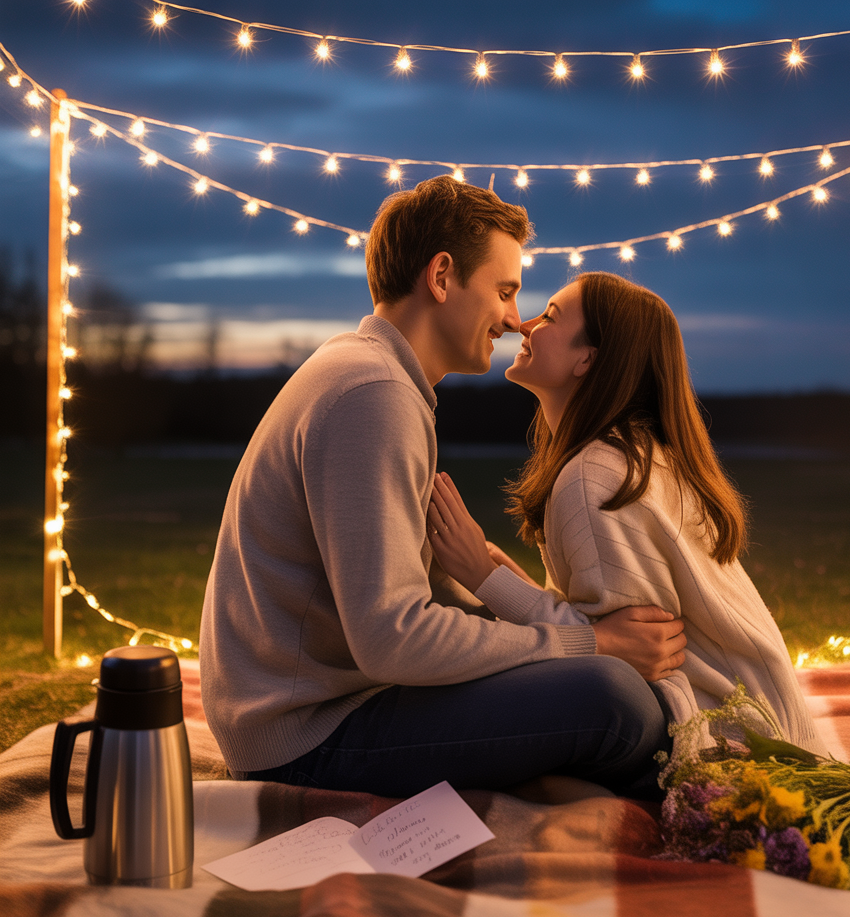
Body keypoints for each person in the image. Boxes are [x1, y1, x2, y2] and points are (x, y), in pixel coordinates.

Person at [200, 178, 688, 798]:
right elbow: (393, 637)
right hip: (306, 738)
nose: (513, 319)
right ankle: (697, 806)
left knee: (608, 694)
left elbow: (406, 603)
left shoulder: (371, 375)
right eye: (504, 291)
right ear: (441, 276)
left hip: (328, 707)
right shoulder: (373, 395)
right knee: (616, 701)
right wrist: (587, 643)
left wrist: (498, 590)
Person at [427, 272, 824, 756]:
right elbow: (605, 627)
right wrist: (512, 583)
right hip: (768, 724)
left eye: (550, 316)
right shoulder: (628, 454)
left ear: (587, 359)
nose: (524, 325)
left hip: (730, 735)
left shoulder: (597, 475)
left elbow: (623, 655)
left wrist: (484, 577)